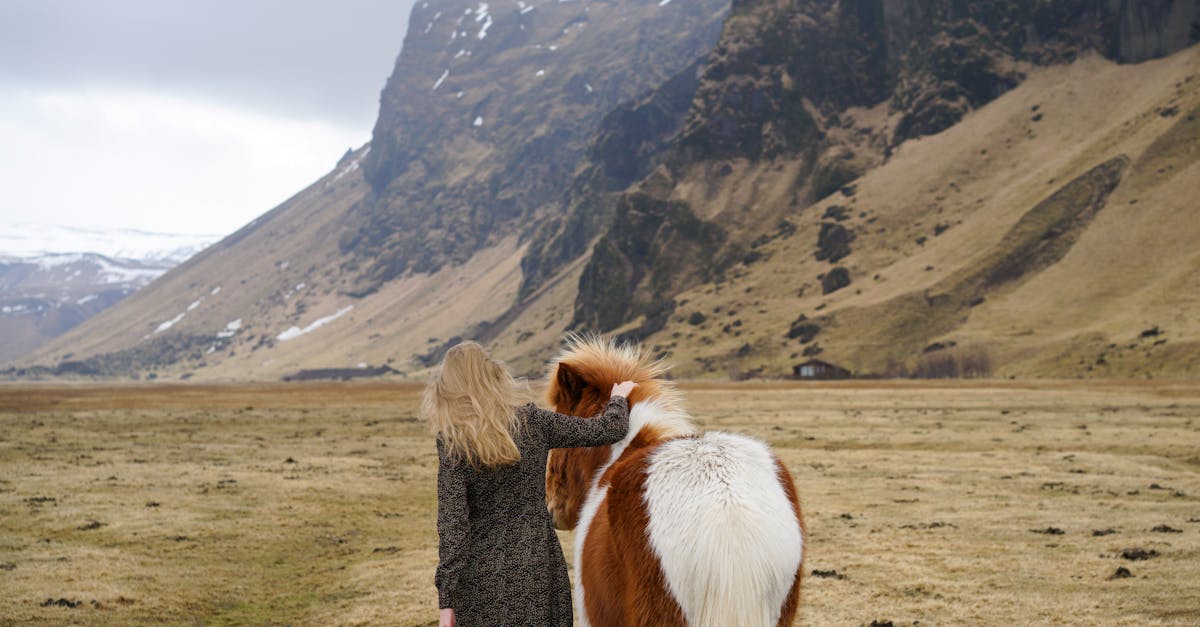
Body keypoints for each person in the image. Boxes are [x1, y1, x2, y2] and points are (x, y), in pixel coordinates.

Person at [423, 341, 636, 627]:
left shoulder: (453, 441)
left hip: (480, 579)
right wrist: (618, 398)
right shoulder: (533, 422)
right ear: (493, 374)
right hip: (538, 566)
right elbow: (608, 429)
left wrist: (447, 601)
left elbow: (453, 527)